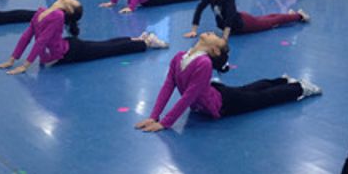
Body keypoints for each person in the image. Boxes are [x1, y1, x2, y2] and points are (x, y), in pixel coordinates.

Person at [135, 32, 322, 131]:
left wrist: (165, 122)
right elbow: (168, 86)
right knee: (248, 89)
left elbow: (189, 96)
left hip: (223, 103)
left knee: (262, 98)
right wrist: (154, 116)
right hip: (216, 91)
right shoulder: (179, 57)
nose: (211, 33)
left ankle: (299, 87)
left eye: (215, 37)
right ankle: (282, 80)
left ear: (215, 50)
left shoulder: (204, 63)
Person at [0, 0, 169, 74]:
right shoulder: (41, 12)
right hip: (67, 47)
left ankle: (145, 43)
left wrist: (26, 65)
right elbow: (27, 36)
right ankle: (139, 39)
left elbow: (41, 41)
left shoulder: (58, 16)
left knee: (108, 48)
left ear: (69, 9)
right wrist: (12, 59)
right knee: (106, 44)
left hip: (71, 52)